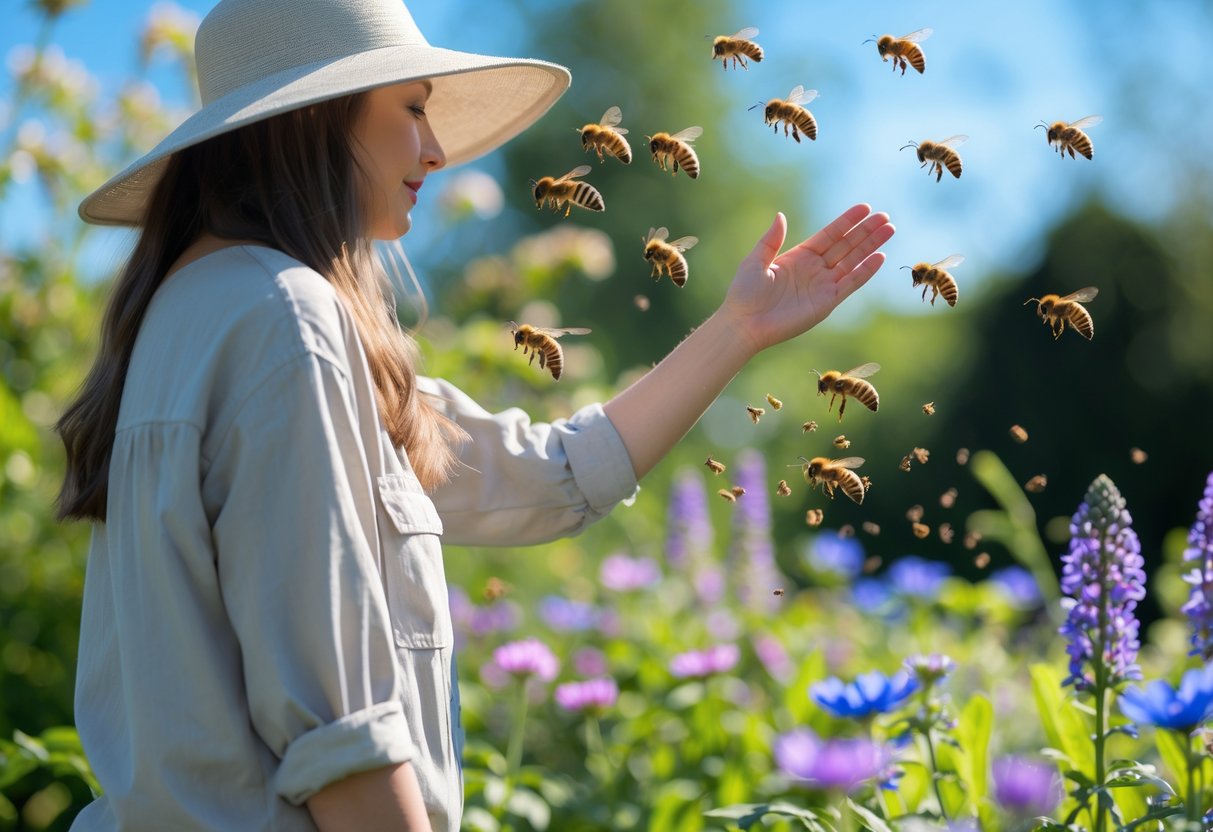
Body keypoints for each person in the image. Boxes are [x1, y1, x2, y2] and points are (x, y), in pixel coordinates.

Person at [55, 0, 895, 829]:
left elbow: (548, 475)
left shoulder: (197, 313)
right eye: (413, 108)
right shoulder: (286, 321)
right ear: (311, 118)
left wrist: (738, 329)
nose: (435, 147)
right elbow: (339, 731)